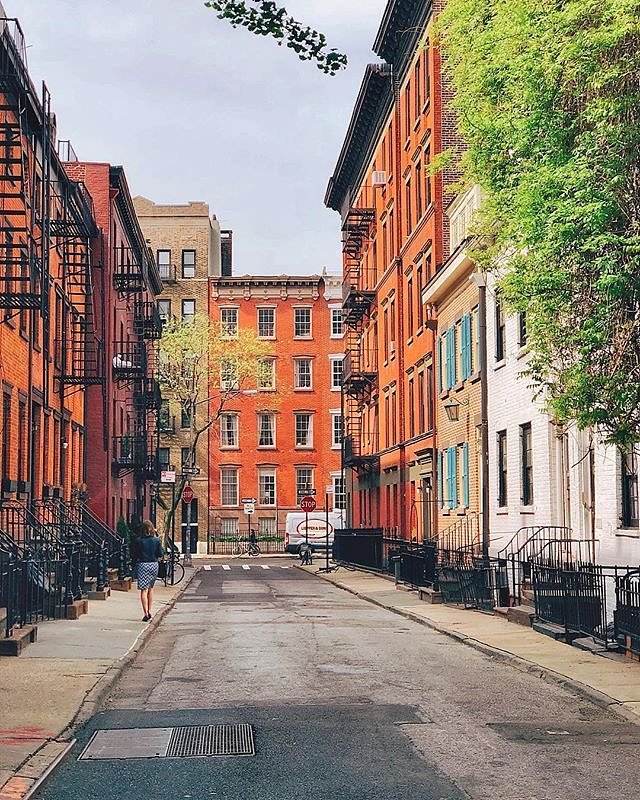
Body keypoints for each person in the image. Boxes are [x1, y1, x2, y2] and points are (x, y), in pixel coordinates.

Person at [135, 520, 164, 622]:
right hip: (153, 565)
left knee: (144, 590)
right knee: (151, 588)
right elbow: (160, 554)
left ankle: (145, 613)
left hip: (143, 564)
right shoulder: (156, 540)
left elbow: (135, 554)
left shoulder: (139, 541)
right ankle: (150, 610)